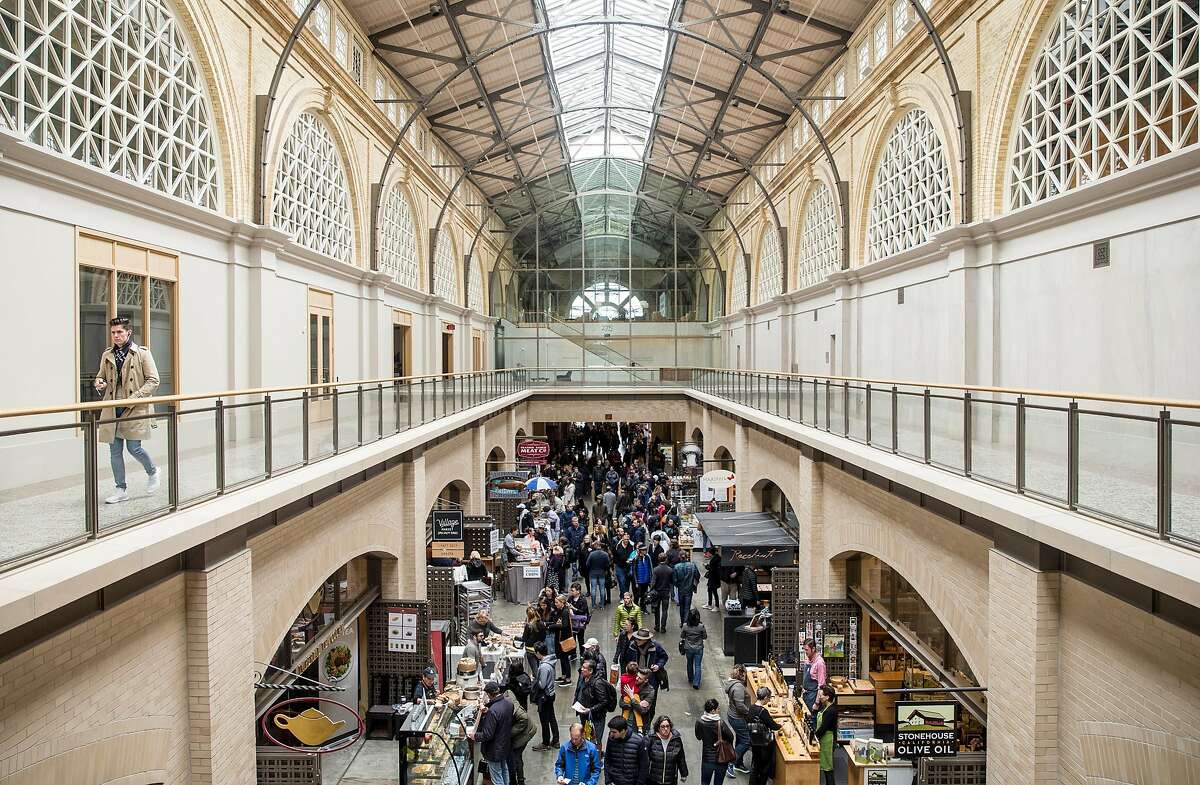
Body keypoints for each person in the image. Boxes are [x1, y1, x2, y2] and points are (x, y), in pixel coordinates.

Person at [94, 316, 161, 504]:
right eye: (113, 332)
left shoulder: (142, 353)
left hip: (135, 407)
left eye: (119, 332)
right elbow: (101, 376)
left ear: (128, 332)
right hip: (112, 407)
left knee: (134, 448)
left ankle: (153, 471)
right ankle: (120, 489)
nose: (116, 335)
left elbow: (154, 380)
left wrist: (134, 398)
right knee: (114, 451)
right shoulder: (107, 354)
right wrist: (99, 382)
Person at [471, 681, 515, 785]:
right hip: (505, 745)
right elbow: (502, 719)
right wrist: (488, 710)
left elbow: (487, 735)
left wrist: (475, 736)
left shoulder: (493, 711)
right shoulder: (509, 703)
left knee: (496, 777)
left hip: (494, 750)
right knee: (504, 770)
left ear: (490, 694)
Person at [576, 659, 614, 752]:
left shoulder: (598, 683)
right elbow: (578, 691)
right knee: (587, 737)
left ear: (591, 671)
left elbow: (604, 701)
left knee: (596, 740)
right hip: (585, 716)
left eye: (584, 668)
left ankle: (597, 760)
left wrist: (590, 709)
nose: (581, 669)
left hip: (596, 717)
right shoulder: (583, 677)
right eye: (582, 667)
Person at [695, 698, 735, 785]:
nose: (719, 710)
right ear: (713, 710)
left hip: (707, 759)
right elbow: (731, 737)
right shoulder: (720, 723)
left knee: (705, 782)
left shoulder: (700, 722)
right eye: (718, 709)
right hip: (721, 758)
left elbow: (698, 737)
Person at [746, 687, 782, 785]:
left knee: (756, 766)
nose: (769, 700)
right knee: (764, 768)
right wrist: (781, 724)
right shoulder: (763, 711)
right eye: (769, 698)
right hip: (764, 744)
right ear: (765, 698)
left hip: (754, 740)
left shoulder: (751, 708)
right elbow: (773, 726)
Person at [723, 665, 752, 777]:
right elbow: (740, 705)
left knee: (740, 738)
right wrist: (748, 712)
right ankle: (731, 763)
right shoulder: (739, 687)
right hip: (738, 718)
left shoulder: (732, 684)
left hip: (733, 715)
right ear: (742, 674)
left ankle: (738, 764)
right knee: (746, 741)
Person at [532, 642, 560, 750]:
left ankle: (545, 742)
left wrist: (535, 680)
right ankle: (556, 740)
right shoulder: (551, 661)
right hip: (551, 694)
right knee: (552, 718)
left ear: (539, 653)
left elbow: (542, 684)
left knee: (544, 720)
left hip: (545, 696)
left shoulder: (544, 666)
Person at [605, 717, 649, 785]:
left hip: (632, 782)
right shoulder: (611, 739)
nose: (611, 734)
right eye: (611, 731)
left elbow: (644, 765)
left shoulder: (639, 741)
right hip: (615, 781)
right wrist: (608, 781)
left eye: (614, 732)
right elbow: (607, 760)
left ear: (623, 731)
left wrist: (640, 783)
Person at [647, 716, 688, 785]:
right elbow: (645, 758)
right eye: (662, 726)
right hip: (654, 779)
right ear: (658, 728)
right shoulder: (651, 739)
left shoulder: (676, 739)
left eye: (667, 726)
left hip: (671, 779)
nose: (666, 729)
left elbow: (681, 758)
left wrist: (684, 773)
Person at [507, 688, 537, 785]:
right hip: (524, 731)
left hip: (526, 733)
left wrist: (508, 733)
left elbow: (523, 720)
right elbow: (509, 691)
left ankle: (519, 780)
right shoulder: (508, 696)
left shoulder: (518, 713)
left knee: (516, 756)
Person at [812, 685, 838, 785]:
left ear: (827, 697)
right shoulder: (825, 707)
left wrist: (813, 737)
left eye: (822, 695)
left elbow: (823, 728)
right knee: (826, 766)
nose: (820, 697)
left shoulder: (830, 711)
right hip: (824, 739)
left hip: (828, 741)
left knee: (828, 768)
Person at [619, 668, 657, 734]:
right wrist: (637, 704)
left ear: (646, 680)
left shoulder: (650, 691)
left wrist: (632, 697)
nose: (636, 678)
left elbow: (643, 711)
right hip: (626, 721)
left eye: (640, 678)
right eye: (637, 676)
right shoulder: (631, 683)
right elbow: (621, 703)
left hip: (638, 726)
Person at [550, 594, 575, 684]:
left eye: (557, 602)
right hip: (560, 638)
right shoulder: (559, 610)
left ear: (562, 602)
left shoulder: (564, 612)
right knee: (562, 658)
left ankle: (568, 678)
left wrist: (552, 626)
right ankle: (564, 675)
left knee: (565, 659)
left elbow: (564, 625)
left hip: (564, 639)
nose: (555, 604)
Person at [680, 609, 707, 690]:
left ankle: (690, 678)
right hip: (699, 648)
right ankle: (696, 683)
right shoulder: (701, 626)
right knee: (698, 665)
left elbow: (682, 636)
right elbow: (705, 637)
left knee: (689, 663)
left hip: (688, 648)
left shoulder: (685, 626)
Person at [800, 638, 827, 713]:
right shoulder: (808, 659)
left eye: (807, 650)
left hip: (813, 697)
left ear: (813, 649)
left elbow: (821, 686)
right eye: (804, 649)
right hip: (806, 694)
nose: (805, 652)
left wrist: (816, 703)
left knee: (812, 720)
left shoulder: (820, 663)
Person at [672, 556, 700, 626]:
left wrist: (678, 586)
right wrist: (694, 583)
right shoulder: (692, 565)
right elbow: (697, 576)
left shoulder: (676, 567)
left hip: (681, 589)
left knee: (682, 606)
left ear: (680, 558)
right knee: (687, 607)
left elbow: (674, 580)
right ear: (686, 557)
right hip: (689, 589)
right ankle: (685, 623)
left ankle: (682, 622)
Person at [650, 555, 674, 632]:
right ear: (666, 559)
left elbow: (653, 582)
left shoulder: (656, 570)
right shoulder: (670, 570)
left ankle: (657, 626)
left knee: (657, 610)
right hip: (666, 592)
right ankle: (663, 627)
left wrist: (651, 590)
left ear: (658, 559)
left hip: (657, 592)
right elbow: (672, 581)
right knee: (665, 610)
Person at [585, 544, 612, 610]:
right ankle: (602, 605)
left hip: (593, 573)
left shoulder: (591, 554)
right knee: (602, 589)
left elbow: (587, 564)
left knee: (593, 589)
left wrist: (591, 568)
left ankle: (593, 605)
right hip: (602, 573)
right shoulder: (605, 554)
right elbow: (608, 564)